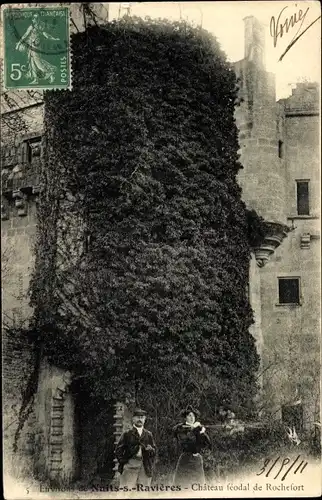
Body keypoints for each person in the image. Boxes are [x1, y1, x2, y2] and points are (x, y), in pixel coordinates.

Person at [115, 408, 156, 489]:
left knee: (143, 492)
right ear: (133, 419)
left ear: (145, 419)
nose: (140, 419)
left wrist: (151, 450)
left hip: (145, 466)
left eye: (142, 417)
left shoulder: (148, 434)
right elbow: (118, 450)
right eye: (137, 417)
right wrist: (124, 462)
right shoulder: (127, 434)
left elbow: (154, 451)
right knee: (126, 491)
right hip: (130, 465)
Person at [173, 405, 211, 487]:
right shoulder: (180, 428)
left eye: (193, 416)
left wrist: (202, 433)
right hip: (185, 459)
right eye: (189, 415)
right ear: (185, 417)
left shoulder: (198, 428)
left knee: (200, 485)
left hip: (197, 460)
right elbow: (186, 443)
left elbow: (207, 444)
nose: (192, 418)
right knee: (182, 485)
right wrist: (195, 430)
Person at [15, 14, 59, 84]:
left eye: (37, 18)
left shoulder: (40, 27)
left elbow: (45, 34)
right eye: (34, 18)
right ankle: (36, 80)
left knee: (38, 62)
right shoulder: (31, 27)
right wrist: (19, 43)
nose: (36, 19)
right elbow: (25, 36)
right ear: (33, 20)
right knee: (32, 63)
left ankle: (50, 73)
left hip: (36, 47)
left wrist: (53, 38)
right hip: (31, 46)